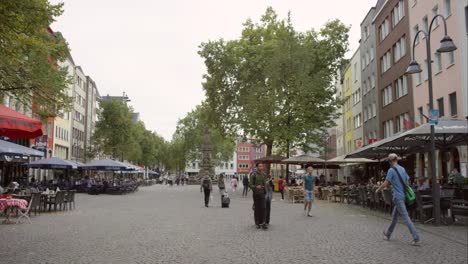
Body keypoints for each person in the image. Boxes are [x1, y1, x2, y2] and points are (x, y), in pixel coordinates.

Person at [376, 153, 420, 246]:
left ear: (391, 161)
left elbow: (386, 183)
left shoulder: (391, 170)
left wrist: (378, 189)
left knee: (406, 217)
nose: (389, 163)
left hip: (398, 197)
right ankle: (388, 234)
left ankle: (416, 238)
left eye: (389, 161)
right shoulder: (402, 169)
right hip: (403, 196)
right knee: (394, 217)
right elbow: (407, 182)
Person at [250, 163, 267, 230]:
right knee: (257, 209)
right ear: (257, 167)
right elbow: (250, 185)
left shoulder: (264, 174)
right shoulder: (253, 175)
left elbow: (264, 184)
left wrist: (266, 185)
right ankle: (257, 223)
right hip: (256, 194)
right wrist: (256, 187)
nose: (261, 167)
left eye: (262, 166)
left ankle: (263, 222)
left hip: (262, 193)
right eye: (260, 166)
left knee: (263, 208)